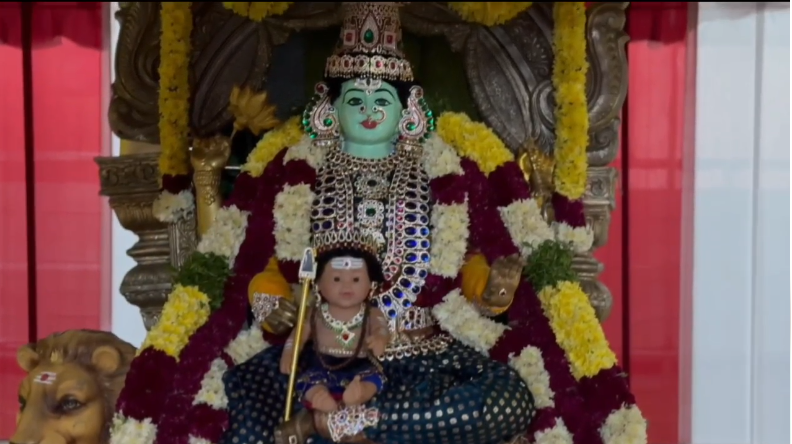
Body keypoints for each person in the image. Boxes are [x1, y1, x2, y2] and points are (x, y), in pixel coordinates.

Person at [222, 4, 536, 444]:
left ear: (408, 109)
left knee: (505, 401)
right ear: (330, 108)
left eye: (382, 99)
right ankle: (359, 421)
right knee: (235, 402)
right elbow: (269, 265)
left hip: (423, 351)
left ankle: (323, 426)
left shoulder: (441, 171)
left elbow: (468, 262)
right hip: (323, 358)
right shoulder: (297, 172)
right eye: (356, 99)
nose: (369, 110)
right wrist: (273, 306)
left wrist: (493, 291)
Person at [281, 232, 390, 416]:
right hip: (323, 365)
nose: (346, 286)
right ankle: (319, 396)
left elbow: (382, 329)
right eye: (336, 279)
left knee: (375, 379)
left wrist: (380, 338)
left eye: (356, 279)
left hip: (359, 366)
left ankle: (360, 393)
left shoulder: (371, 313)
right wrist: (290, 352)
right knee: (308, 381)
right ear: (318, 285)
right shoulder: (314, 314)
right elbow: (297, 336)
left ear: (371, 284)